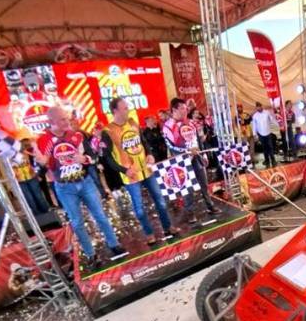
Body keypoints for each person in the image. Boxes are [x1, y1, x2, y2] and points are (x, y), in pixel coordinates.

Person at [35, 105, 127, 264]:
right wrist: (42, 165)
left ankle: (114, 244)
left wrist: (84, 159)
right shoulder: (43, 141)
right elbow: (40, 167)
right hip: (65, 187)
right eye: (62, 119)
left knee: (100, 216)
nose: (67, 121)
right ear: (51, 122)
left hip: (85, 182)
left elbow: (92, 156)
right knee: (77, 222)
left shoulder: (76, 135)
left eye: (67, 117)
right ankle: (91, 254)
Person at [103, 98, 177, 245]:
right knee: (139, 208)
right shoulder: (108, 131)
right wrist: (124, 170)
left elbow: (144, 142)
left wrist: (150, 154)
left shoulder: (132, 122)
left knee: (160, 201)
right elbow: (108, 158)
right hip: (130, 176)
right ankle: (149, 233)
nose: (128, 109)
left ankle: (168, 227)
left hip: (146, 170)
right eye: (124, 108)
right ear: (115, 111)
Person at [164, 97, 220, 222]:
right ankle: (190, 212)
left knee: (203, 183)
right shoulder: (168, 126)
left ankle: (210, 205)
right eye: (183, 108)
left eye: (186, 108)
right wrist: (187, 152)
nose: (186, 110)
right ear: (174, 109)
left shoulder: (190, 122)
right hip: (182, 161)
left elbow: (198, 140)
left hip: (197, 157)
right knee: (186, 187)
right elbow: (171, 145)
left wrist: (202, 154)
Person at [12, 138, 50, 215]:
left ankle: (46, 212)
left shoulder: (27, 153)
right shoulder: (10, 156)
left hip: (32, 177)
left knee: (38, 195)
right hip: (20, 180)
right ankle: (36, 215)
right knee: (29, 198)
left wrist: (37, 174)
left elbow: (35, 163)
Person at [251, 102, 277, 168]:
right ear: (256, 107)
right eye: (257, 107)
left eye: (259, 106)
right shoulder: (255, 116)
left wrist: (278, 124)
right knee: (264, 148)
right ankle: (267, 160)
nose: (258, 108)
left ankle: (273, 160)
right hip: (261, 134)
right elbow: (254, 126)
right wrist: (254, 134)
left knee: (270, 147)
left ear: (261, 106)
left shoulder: (267, 112)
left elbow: (272, 119)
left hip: (268, 132)